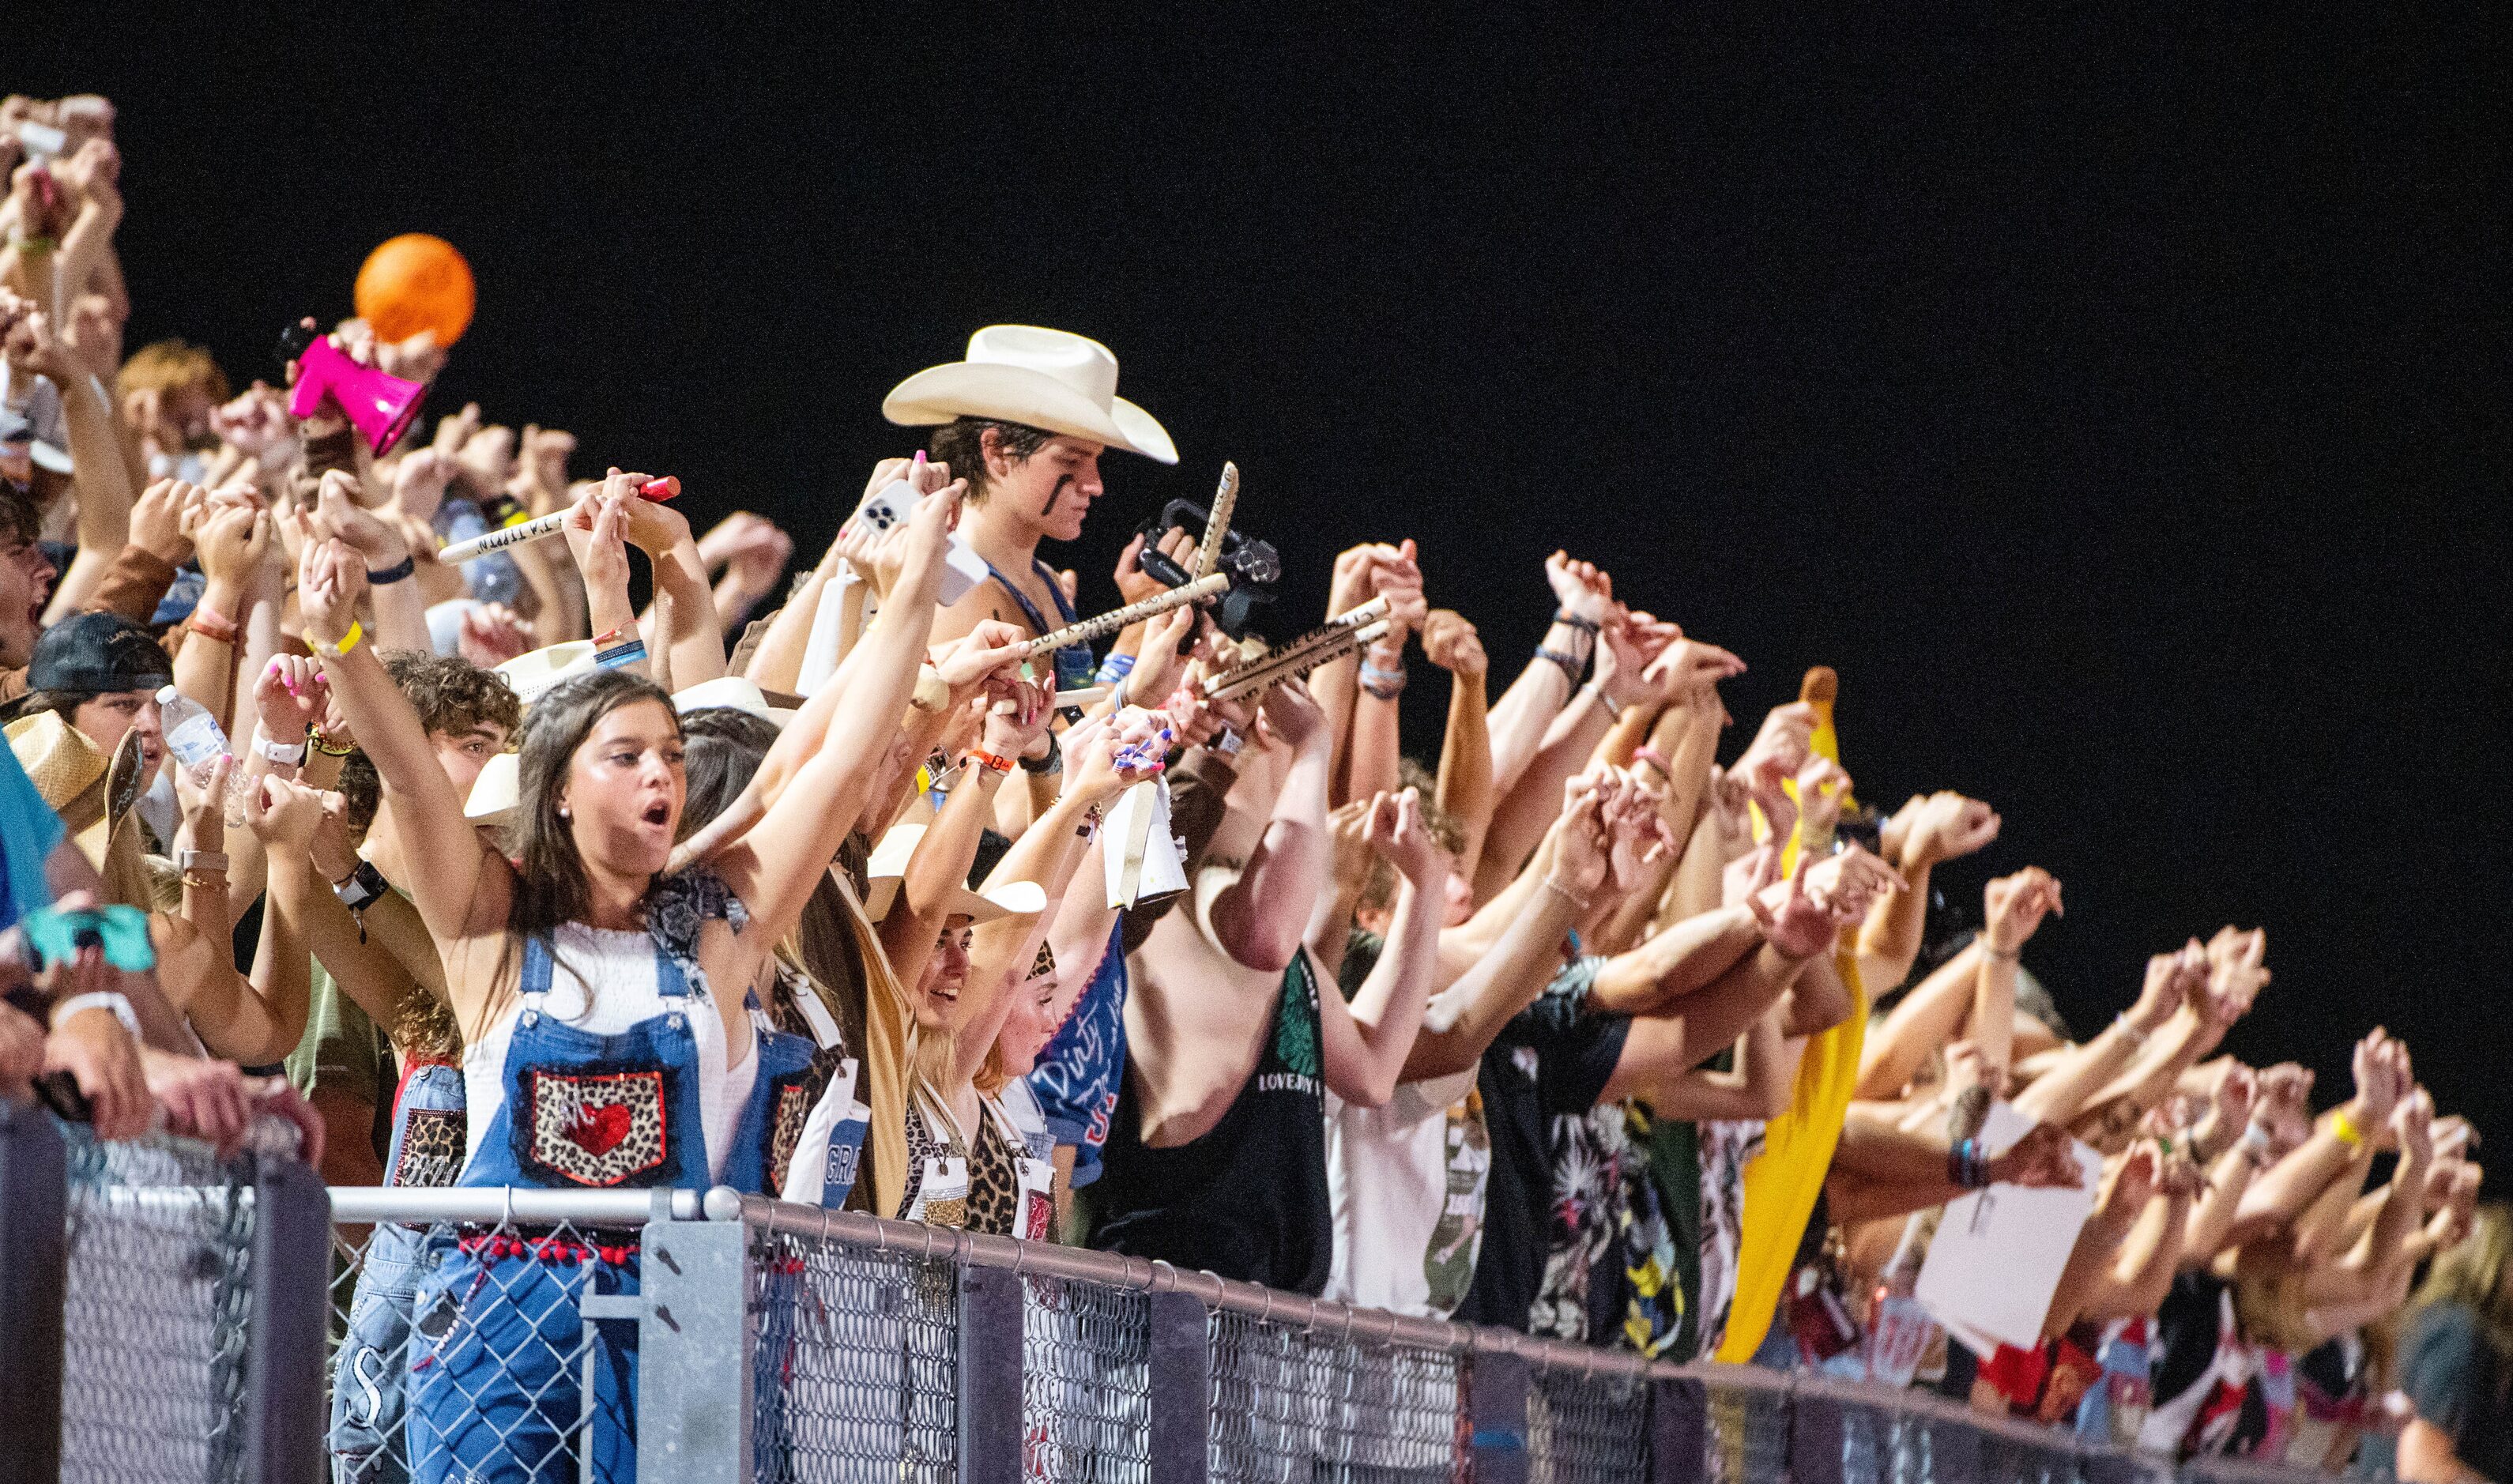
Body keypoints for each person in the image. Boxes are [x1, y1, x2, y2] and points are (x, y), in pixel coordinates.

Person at [303, 465, 954, 1483]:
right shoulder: (487, 930)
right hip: (499, 1346)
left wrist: (911, 583)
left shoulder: (724, 928)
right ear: (557, 791)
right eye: (627, 756)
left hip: (683, 1335)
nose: (662, 773)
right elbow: (404, 765)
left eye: (671, 756)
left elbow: (838, 763)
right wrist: (339, 629)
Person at [885, 324, 1176, 688]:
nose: (1096, 485)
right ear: (997, 452)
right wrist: (1135, 636)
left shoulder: (1048, 581)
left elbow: (1067, 716)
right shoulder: (952, 592)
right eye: (1071, 460)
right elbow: (1011, 742)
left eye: (1096, 461)